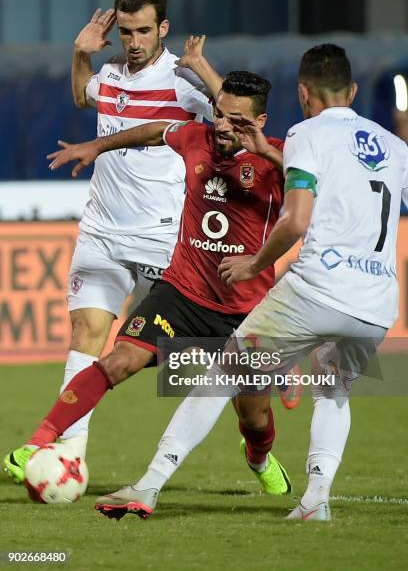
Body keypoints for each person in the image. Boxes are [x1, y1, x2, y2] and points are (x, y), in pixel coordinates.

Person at [92, 43, 407, 522]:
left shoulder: (304, 133)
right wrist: (263, 151)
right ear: (355, 90)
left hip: (317, 291)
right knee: (335, 392)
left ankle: (149, 486)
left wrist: (255, 263)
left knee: (223, 376)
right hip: (377, 303)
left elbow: (296, 220)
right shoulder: (394, 146)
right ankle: (314, 502)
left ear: (303, 92)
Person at [7, 71, 294, 506]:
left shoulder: (282, 161)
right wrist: (98, 145)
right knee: (119, 360)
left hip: (245, 310)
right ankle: (41, 439)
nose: (221, 125)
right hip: (181, 292)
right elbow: (158, 130)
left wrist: (267, 153)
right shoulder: (195, 137)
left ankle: (257, 459)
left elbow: (318, 189)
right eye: (218, 114)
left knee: (255, 417)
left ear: (260, 121)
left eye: (236, 120)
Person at [3, 0, 215, 482]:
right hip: (102, 231)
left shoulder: (183, 82)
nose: (133, 42)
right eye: (126, 32)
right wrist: (80, 54)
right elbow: (82, 98)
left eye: (143, 31)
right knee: (87, 334)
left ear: (163, 27)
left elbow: (234, 114)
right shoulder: (114, 72)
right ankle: (70, 457)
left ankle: (257, 443)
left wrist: (206, 71)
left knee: (194, 363)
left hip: (164, 239)